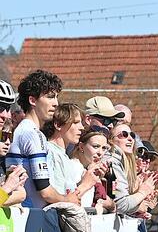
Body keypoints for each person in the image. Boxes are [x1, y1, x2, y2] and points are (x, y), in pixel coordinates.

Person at [7, 69, 80, 208]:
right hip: (32, 218)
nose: (56, 103)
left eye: (56, 97)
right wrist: (68, 200)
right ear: (32, 100)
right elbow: (45, 191)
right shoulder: (32, 134)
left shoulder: (24, 130)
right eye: (50, 97)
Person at [42, 103, 102, 207]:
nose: (82, 127)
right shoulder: (51, 153)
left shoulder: (62, 155)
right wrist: (85, 185)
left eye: (81, 123)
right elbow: (59, 201)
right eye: (75, 122)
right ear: (58, 125)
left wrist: (88, 178)